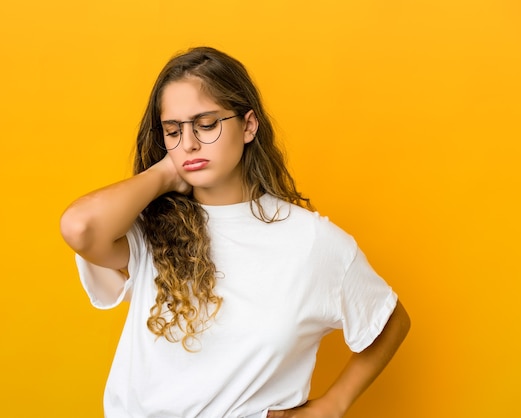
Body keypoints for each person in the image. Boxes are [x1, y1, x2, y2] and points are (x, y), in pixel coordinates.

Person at [60, 46, 411, 418]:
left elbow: (390, 320)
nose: (190, 142)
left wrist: (332, 405)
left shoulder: (311, 242)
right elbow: (80, 228)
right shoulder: (149, 229)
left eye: (206, 124)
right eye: (173, 130)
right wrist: (164, 173)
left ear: (248, 126)